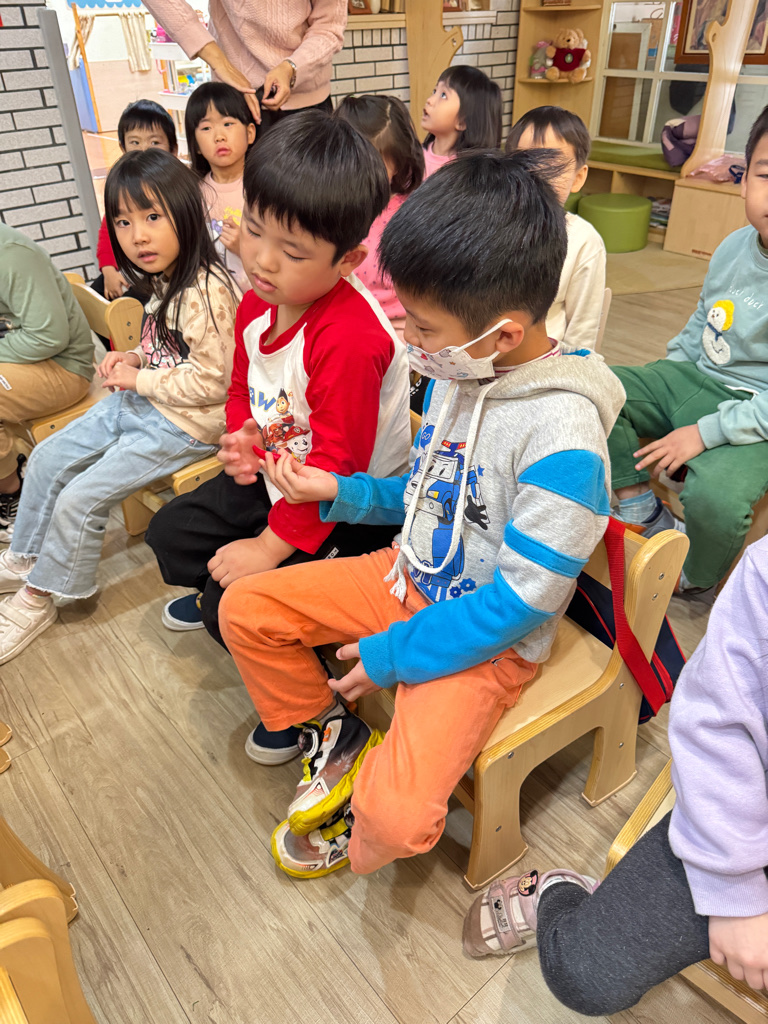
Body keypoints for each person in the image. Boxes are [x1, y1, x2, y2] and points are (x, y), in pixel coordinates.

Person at [216, 149, 626, 879]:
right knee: (244, 609)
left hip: (488, 641)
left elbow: (522, 604)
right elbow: (425, 492)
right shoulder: (460, 368)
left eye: (425, 328)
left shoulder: (565, 441)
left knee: (395, 821)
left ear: (503, 334)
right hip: (404, 575)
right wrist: (340, 492)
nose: (410, 340)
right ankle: (338, 740)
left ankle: (364, 800)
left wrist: (394, 655)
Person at [144, 110, 411, 764]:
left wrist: (267, 549)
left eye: (292, 252)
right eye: (256, 230)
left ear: (348, 261)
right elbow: (244, 385)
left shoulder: (350, 337)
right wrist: (243, 435)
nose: (262, 260)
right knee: (169, 533)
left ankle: (312, 701)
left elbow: (333, 471)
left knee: (229, 607)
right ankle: (241, 601)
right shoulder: (259, 299)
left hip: (347, 507)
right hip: (281, 477)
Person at [463, 532, 768, 1014]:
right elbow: (717, 718)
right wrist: (735, 887)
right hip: (743, 817)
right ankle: (555, 892)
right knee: (585, 975)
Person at [0, 150, 239, 664]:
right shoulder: (165, 279)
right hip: (144, 401)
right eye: (124, 222)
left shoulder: (209, 290)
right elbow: (167, 348)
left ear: (185, 214)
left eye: (152, 217)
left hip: (186, 425)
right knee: (46, 457)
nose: (137, 236)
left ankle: (43, 592)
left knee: (81, 497)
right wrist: (133, 358)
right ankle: (25, 556)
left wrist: (140, 377)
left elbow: (215, 382)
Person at [610, 104, 768, 594]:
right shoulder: (734, 245)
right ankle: (640, 507)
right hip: (700, 379)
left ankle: (693, 577)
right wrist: (667, 381)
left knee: (718, 499)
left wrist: (703, 433)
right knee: (592, 387)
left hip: (758, 412)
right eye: (766, 175)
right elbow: (705, 320)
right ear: (744, 180)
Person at [0, 224, 94, 541]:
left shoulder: (11, 255)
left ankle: (13, 492)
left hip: (63, 366)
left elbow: (47, 337)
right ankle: (16, 466)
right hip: (24, 358)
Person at [142, 0, 346, 130]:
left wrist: (292, 67)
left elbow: (329, 27)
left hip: (307, 104)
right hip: (235, 101)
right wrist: (219, 62)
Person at [506, 105, 606, 353]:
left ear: (578, 178)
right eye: (525, 160)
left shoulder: (583, 241)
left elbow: (582, 331)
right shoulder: (489, 224)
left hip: (545, 364)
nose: (536, 173)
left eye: (552, 163)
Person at [334, 94, 424, 339]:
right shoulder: (329, 213)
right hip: (345, 327)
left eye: (374, 164)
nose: (360, 174)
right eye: (351, 162)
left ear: (399, 162)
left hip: (401, 332)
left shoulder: (412, 214)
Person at [92, 100, 178, 304]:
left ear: (173, 149)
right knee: (95, 295)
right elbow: (107, 232)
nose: (144, 149)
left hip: (162, 266)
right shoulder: (123, 186)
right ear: (122, 147)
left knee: (129, 304)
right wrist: (108, 270)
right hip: (133, 262)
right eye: (135, 143)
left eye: (154, 142)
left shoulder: (176, 185)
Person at [185, 81, 256, 294]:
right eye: (206, 128)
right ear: (196, 144)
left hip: (258, 298)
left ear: (250, 133)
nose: (219, 136)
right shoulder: (192, 194)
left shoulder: (263, 188)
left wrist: (244, 248)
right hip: (210, 300)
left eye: (228, 124)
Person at [421, 65, 502, 178]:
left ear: (462, 122)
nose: (430, 100)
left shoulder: (465, 175)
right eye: (434, 91)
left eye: (443, 95)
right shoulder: (416, 156)